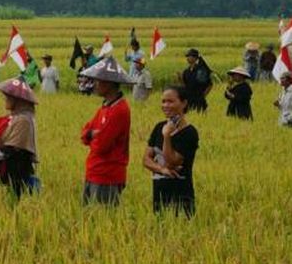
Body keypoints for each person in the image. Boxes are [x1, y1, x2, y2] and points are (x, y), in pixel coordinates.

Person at [79, 57, 132, 206]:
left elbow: (101, 146)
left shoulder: (119, 110)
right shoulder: (106, 107)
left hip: (107, 174)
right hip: (94, 171)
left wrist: (94, 135)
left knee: (102, 218)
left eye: (98, 80)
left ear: (108, 83)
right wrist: (91, 134)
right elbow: (84, 134)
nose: (94, 84)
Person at [142, 86, 199, 217]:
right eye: (163, 101)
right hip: (159, 193)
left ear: (184, 103)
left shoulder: (189, 133)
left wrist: (167, 136)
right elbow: (146, 159)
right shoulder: (158, 127)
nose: (165, 105)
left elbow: (172, 162)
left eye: (170, 101)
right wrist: (161, 170)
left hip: (181, 195)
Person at [0, 77, 40, 198]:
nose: (5, 99)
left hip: (16, 172)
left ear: (18, 100)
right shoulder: (16, 117)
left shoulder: (23, 119)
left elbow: (13, 148)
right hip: (9, 170)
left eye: (8, 96)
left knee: (14, 201)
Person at [179, 48, 212, 112]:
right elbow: (184, 86)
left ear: (195, 58)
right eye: (187, 56)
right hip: (188, 100)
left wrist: (203, 96)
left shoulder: (201, 70)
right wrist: (180, 79)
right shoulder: (186, 71)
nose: (187, 58)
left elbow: (209, 85)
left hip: (199, 100)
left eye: (189, 56)